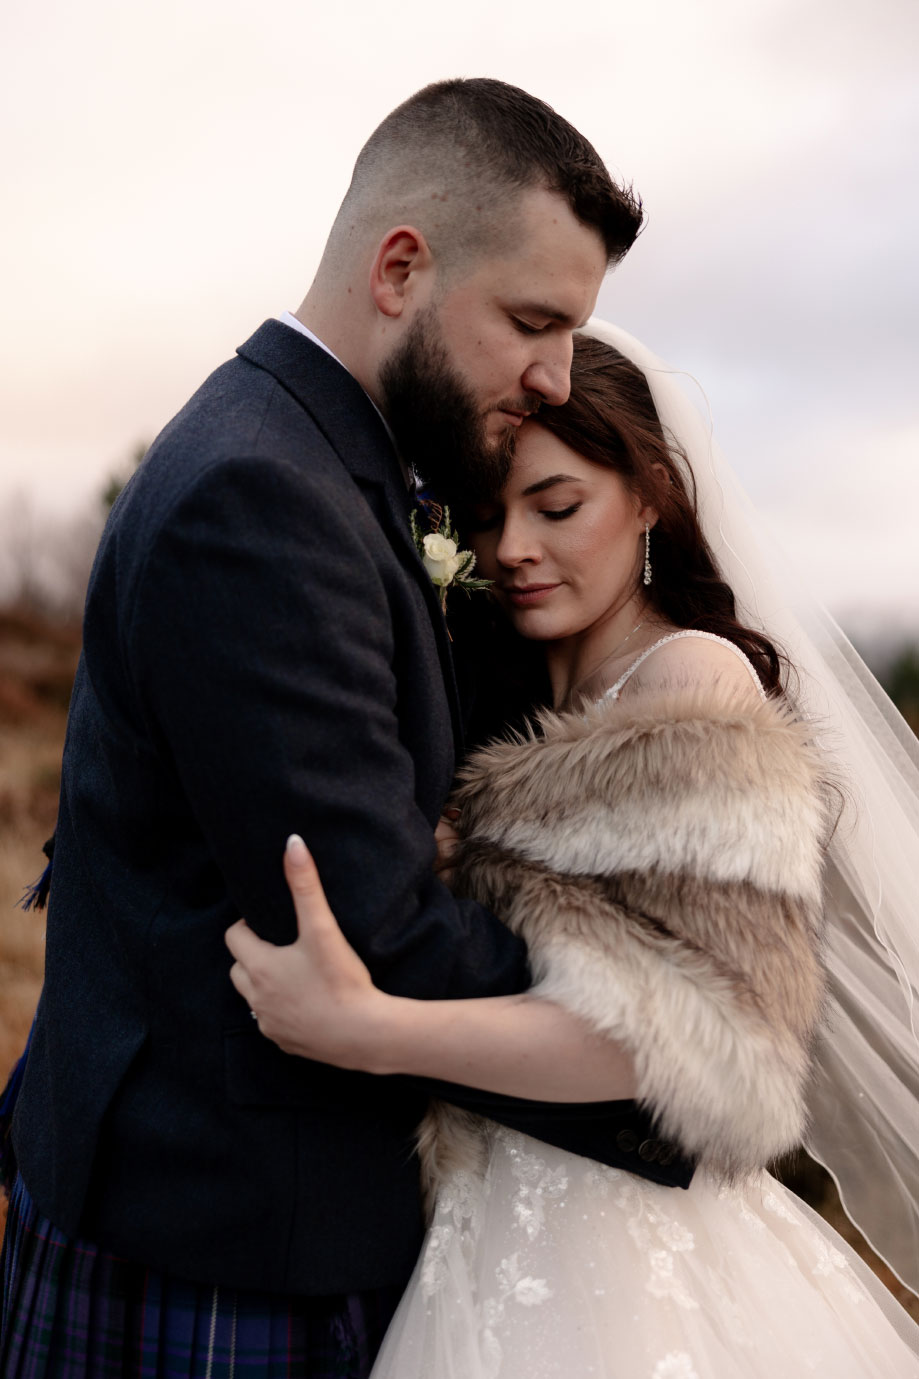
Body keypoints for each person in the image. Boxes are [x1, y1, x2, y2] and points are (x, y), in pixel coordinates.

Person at [0, 83, 700, 1379]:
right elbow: (367, 922)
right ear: (399, 268)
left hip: (225, 1190)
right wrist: (658, 1050)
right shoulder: (264, 495)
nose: (554, 375)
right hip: (223, 1223)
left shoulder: (316, 455)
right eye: (533, 323)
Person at [226, 325, 919, 1376]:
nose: (510, 547)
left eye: (555, 506)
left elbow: (687, 1045)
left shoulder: (690, 681)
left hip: (625, 1263)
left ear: (647, 496)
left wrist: (369, 1027)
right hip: (466, 1222)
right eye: (487, 513)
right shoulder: (495, 697)